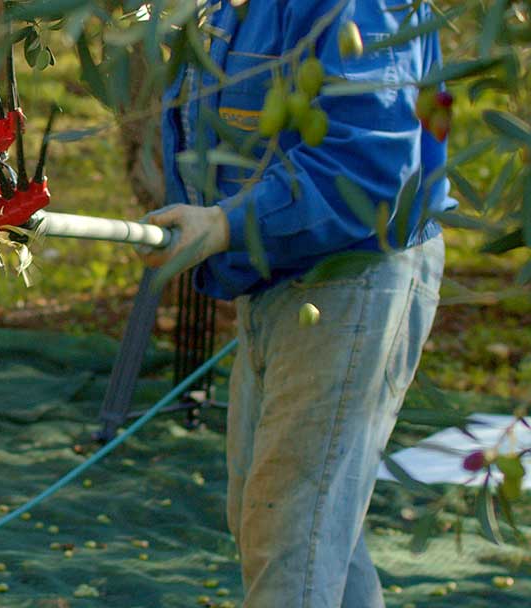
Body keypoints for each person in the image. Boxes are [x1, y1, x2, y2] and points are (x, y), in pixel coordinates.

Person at [141, 1, 453, 606]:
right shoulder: (230, 8)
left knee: (292, 539)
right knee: (288, 522)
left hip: (353, 276)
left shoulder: (362, 6)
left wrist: (229, 223)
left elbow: (373, 166)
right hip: (275, 271)